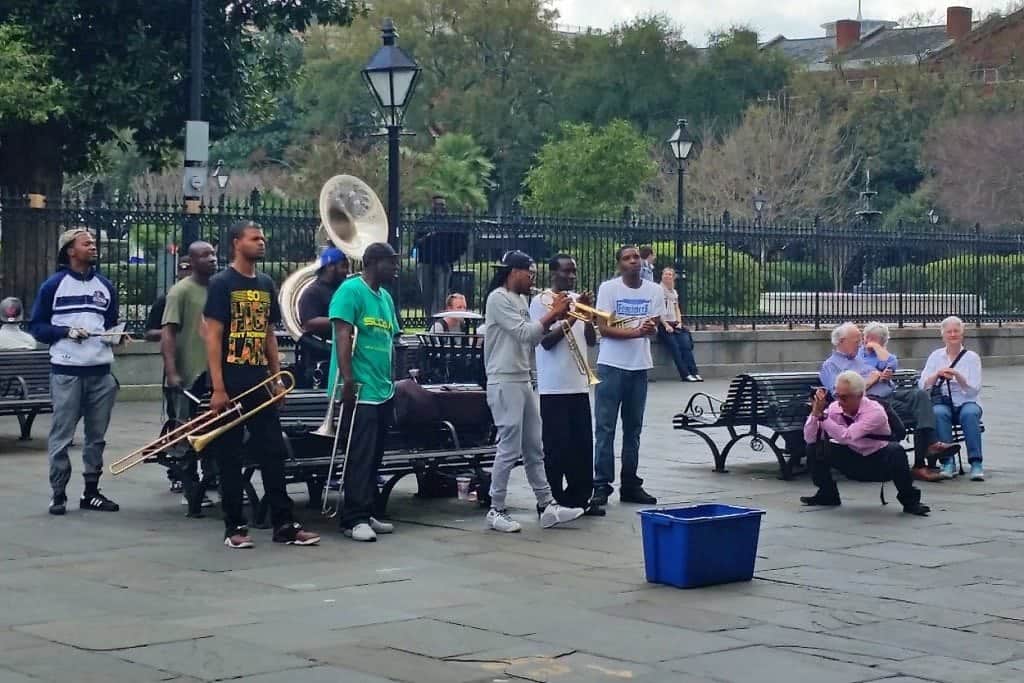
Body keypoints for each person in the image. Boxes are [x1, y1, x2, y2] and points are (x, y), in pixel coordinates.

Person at [203, 220, 320, 549]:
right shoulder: (221, 283)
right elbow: (212, 336)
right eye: (255, 238)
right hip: (231, 376)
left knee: (273, 451)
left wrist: (276, 376)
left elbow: (268, 335)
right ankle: (234, 526)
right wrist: (218, 387)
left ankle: (284, 524)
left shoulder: (266, 283)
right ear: (236, 242)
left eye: (263, 238)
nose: (262, 242)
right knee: (229, 455)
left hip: (259, 379)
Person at [483, 250, 584, 533]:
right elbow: (525, 334)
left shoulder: (518, 299)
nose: (533, 279)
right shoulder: (498, 298)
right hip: (504, 379)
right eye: (531, 273)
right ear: (514, 272)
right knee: (509, 445)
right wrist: (554, 313)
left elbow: (535, 338)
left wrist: (560, 318)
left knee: (533, 447)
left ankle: (546, 504)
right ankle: (496, 508)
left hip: (522, 377)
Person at [30, 229, 121, 515]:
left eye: (93, 243)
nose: (93, 247)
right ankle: (58, 493)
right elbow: (37, 328)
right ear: (70, 251)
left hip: (100, 371)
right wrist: (66, 331)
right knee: (62, 434)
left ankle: (91, 492)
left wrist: (115, 336)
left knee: (97, 436)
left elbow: (110, 323)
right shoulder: (53, 286)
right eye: (87, 244)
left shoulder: (105, 286)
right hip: (67, 371)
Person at [327, 242, 401, 542]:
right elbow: (343, 335)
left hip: (382, 388)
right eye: (391, 262)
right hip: (360, 390)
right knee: (359, 455)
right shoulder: (350, 291)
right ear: (373, 262)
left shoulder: (385, 298)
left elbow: (391, 341)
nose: (396, 268)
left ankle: (367, 509)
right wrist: (347, 380)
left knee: (374, 457)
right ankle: (352, 518)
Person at [820, 322, 957, 483]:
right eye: (856, 340)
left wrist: (884, 376)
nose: (860, 344)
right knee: (896, 408)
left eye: (859, 340)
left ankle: (931, 445)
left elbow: (889, 361)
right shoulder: (831, 365)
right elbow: (839, 395)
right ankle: (920, 464)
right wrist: (868, 383)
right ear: (841, 341)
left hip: (889, 393)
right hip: (870, 403)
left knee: (920, 395)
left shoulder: (860, 357)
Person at [529, 254, 603, 517]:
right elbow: (546, 341)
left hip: (579, 384)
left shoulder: (575, 301)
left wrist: (588, 316)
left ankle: (581, 497)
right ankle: (554, 499)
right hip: (554, 386)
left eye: (573, 272)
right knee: (557, 446)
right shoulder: (542, 302)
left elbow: (591, 340)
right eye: (566, 272)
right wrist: (573, 316)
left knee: (581, 445)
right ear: (553, 273)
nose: (571, 276)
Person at [801, 371, 931, 516]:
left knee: (896, 451)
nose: (839, 401)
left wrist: (822, 417)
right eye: (837, 396)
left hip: (877, 460)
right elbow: (810, 438)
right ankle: (827, 493)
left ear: (859, 396)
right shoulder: (834, 408)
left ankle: (910, 502)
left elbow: (848, 436)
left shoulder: (875, 411)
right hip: (851, 457)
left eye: (844, 397)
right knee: (814, 449)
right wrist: (814, 415)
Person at [592, 246, 664, 507]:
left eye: (636, 257)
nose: (633, 261)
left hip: (639, 366)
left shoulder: (654, 291)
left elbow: (654, 327)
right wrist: (636, 332)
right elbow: (604, 328)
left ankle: (630, 482)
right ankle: (601, 484)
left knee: (633, 429)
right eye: (627, 258)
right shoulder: (609, 289)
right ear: (620, 264)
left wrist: (649, 328)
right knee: (605, 427)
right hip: (611, 365)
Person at [161, 241, 217, 506]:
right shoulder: (180, 291)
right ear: (191, 261)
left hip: (215, 371)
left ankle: (212, 479)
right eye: (204, 255)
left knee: (215, 429)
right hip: (189, 373)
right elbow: (168, 332)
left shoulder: (219, 288)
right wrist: (172, 371)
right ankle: (190, 488)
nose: (212, 259)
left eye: (214, 254)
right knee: (186, 430)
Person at [920, 316, 984, 481]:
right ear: (943, 335)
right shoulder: (935, 356)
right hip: (944, 401)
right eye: (949, 332)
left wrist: (957, 375)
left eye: (956, 331)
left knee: (969, 414)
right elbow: (923, 385)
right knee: (939, 413)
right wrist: (937, 374)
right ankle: (948, 462)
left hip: (967, 401)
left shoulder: (972, 357)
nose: (953, 334)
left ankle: (976, 462)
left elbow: (974, 390)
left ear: (962, 334)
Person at [296, 247, 350, 387]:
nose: (347, 272)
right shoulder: (313, 292)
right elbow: (309, 323)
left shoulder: (343, 288)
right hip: (321, 358)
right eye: (343, 267)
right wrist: (342, 322)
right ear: (330, 267)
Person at [414, 196, 467, 318]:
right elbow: (416, 242)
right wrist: (428, 236)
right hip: (425, 261)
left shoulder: (450, 223)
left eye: (442, 204)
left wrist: (451, 258)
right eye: (437, 204)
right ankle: (429, 319)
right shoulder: (424, 221)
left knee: (441, 294)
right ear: (432, 206)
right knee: (426, 294)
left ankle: (438, 319)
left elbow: (459, 243)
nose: (440, 207)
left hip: (443, 263)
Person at [657, 267, 701, 382]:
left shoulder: (674, 292)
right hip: (664, 325)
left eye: (670, 275)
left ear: (673, 277)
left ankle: (694, 372)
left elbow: (677, 309)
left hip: (675, 324)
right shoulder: (658, 290)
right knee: (675, 348)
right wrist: (666, 325)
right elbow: (657, 310)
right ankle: (685, 374)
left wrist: (679, 322)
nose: (667, 276)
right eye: (665, 274)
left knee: (686, 346)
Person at [145, 257, 191, 342]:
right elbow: (149, 333)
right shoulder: (164, 300)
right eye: (182, 271)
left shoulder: (207, 297)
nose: (185, 274)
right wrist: (170, 332)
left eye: (189, 271)